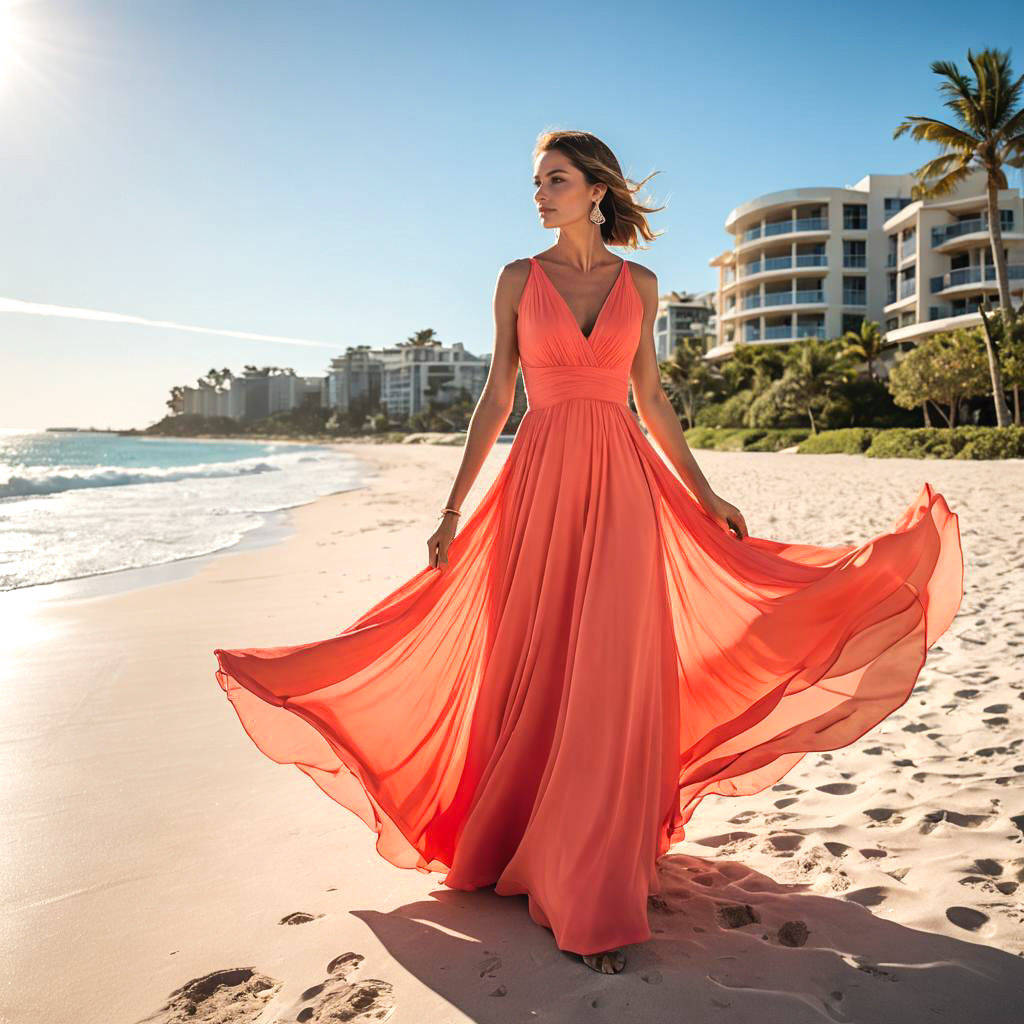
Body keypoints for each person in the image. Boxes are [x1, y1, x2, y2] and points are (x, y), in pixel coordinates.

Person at [213, 130, 964, 976]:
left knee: (608, 675)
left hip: (622, 488)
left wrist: (707, 492)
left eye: (555, 180)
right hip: (535, 488)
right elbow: (499, 395)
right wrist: (453, 504)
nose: (539, 194)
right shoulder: (514, 279)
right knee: (532, 666)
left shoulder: (639, 284)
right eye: (536, 182)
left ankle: (590, 878)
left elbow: (650, 398)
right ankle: (521, 842)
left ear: (595, 189)